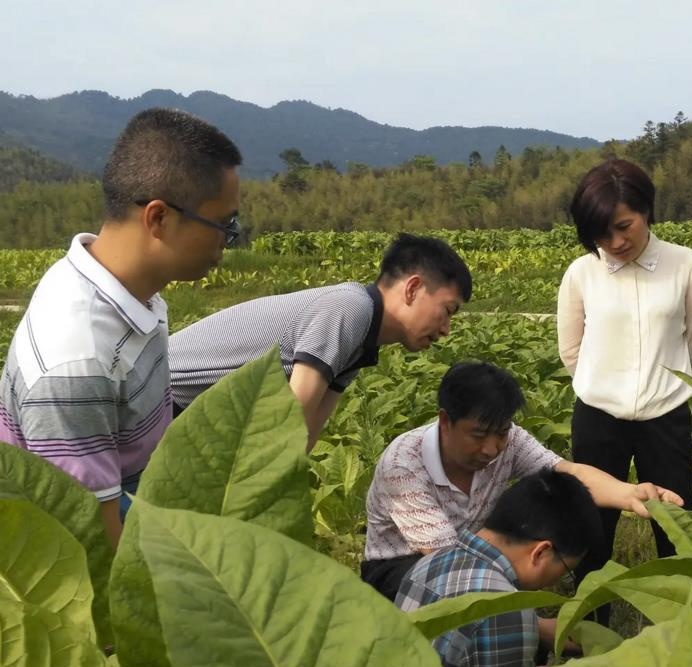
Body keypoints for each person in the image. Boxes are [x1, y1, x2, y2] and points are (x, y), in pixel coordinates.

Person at [0, 108, 243, 546]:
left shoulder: (124, 288)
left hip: (133, 491)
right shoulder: (77, 363)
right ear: (158, 218)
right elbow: (93, 543)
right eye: (224, 225)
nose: (229, 239)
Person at [362, 361, 683, 601]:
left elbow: (566, 471)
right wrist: (536, 627)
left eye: (500, 434)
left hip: (469, 556)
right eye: (478, 435)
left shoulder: (509, 441)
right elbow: (447, 565)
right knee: (479, 606)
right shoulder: (404, 464)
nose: (491, 449)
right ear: (445, 421)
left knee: (502, 600)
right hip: (401, 568)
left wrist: (628, 494)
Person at [556, 158, 692, 622]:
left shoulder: (684, 264)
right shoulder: (582, 273)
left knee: (674, 523)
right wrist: (608, 385)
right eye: (602, 234)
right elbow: (571, 348)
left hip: (666, 416)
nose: (616, 242)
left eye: (624, 226)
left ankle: (679, 624)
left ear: (647, 210)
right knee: (591, 524)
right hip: (599, 418)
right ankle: (589, 627)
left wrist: (655, 384)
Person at [169, 233, 472, 451]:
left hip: (192, 417)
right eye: (447, 311)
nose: (446, 329)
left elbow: (306, 434)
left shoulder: (364, 340)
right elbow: (295, 413)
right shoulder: (350, 308)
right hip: (155, 399)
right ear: (413, 288)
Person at [396, 467, 602, 667]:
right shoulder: (506, 609)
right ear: (541, 553)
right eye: (566, 569)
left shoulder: (430, 563)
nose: (557, 580)